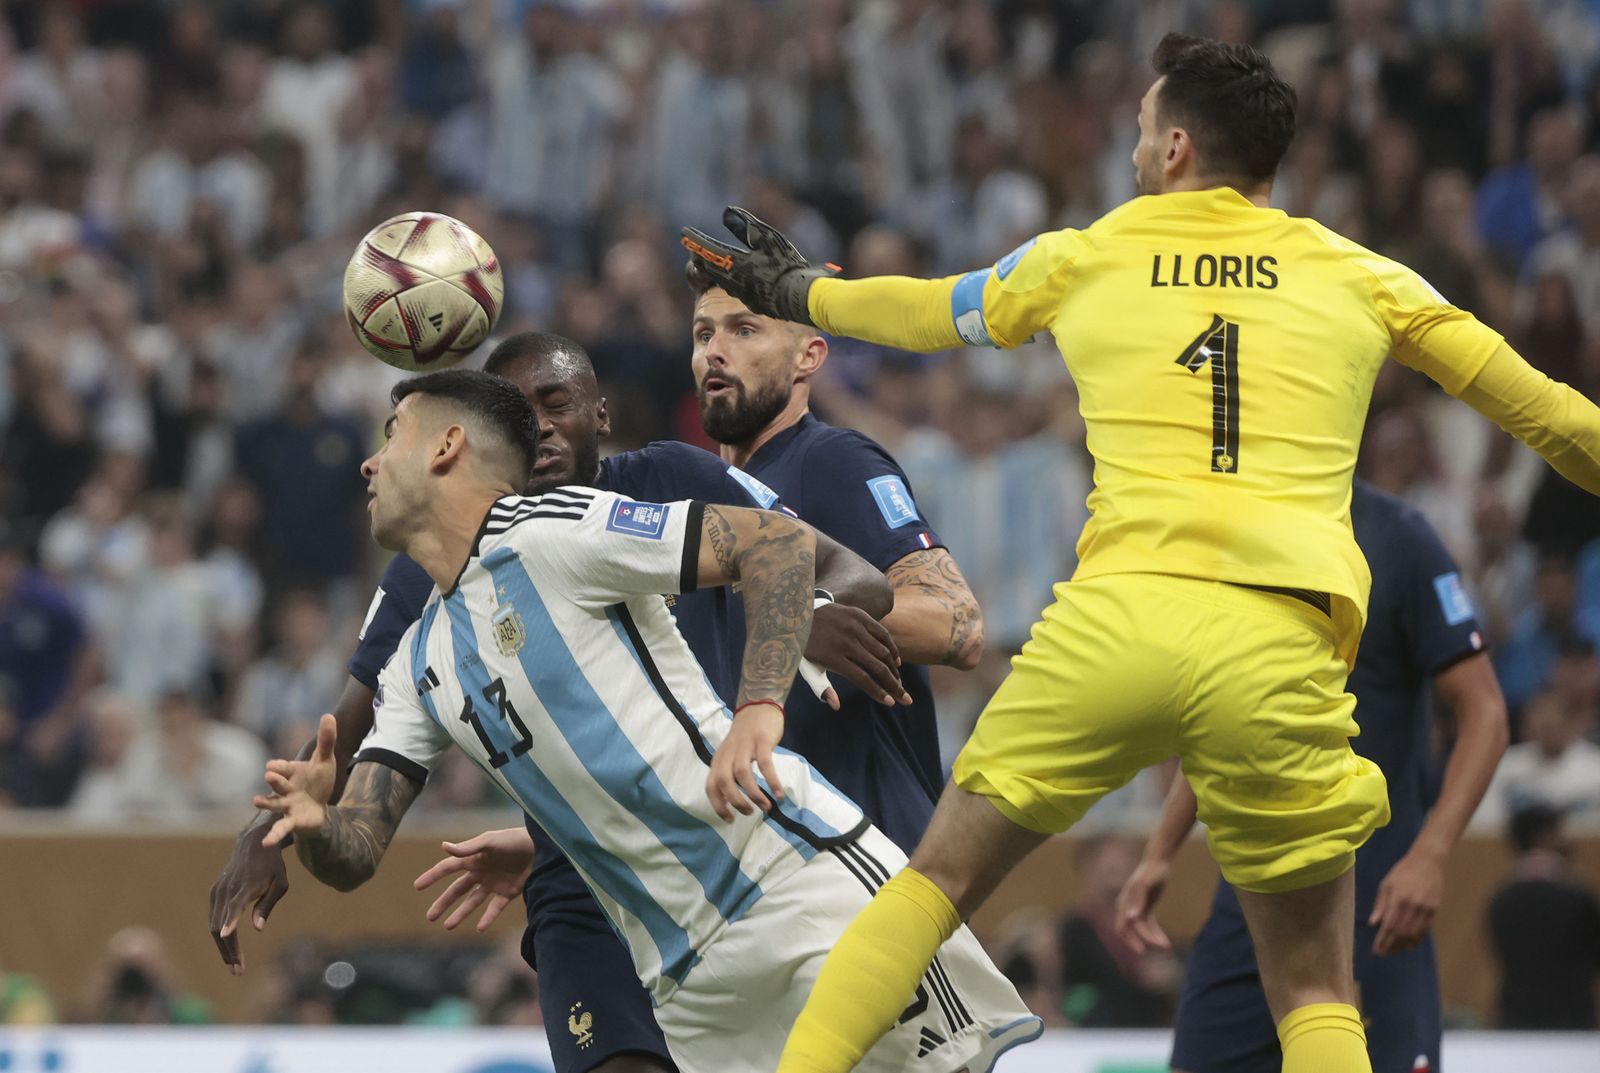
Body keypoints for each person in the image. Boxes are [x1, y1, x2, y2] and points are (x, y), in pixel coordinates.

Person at [682, 32, 1600, 1073]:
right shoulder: (1364, 275)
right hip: (1279, 640)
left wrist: (803, 294)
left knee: (930, 887)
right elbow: (1555, 421)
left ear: (1172, 148)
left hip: (1113, 627)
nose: (1127, 151)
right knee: (1311, 987)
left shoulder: (1089, 253)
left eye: (1134, 131)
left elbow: (932, 311)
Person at [209, 329, 970, 1073]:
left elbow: (781, 547)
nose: (370, 462)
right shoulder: (419, 650)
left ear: (448, 448)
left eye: (392, 435)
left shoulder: (567, 524)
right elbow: (358, 842)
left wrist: (762, 702)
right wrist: (306, 823)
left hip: (784, 877)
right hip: (671, 950)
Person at [1114, 479, 1508, 1073]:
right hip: (1250, 894)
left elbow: (1486, 713)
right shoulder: (1240, 533)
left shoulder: (1400, 539)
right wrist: (1160, 851)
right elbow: (1233, 714)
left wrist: (1430, 854)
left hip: (1375, 903)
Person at [1487, 804, 1600, 1029]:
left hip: (1515, 1019)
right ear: (1545, 836)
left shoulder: (1499, 900)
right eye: (1560, 831)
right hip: (1573, 1022)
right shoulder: (1579, 898)